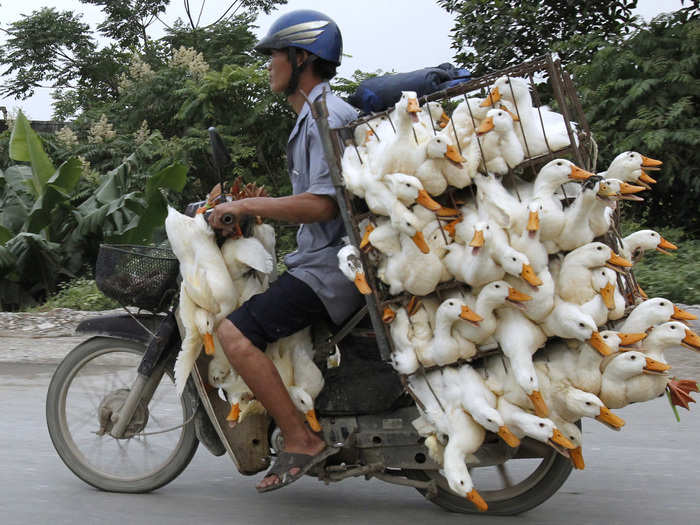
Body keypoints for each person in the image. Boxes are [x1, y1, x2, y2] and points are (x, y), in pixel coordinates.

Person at [208, 9, 364, 493]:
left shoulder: (324, 117)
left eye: (275, 54)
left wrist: (250, 203)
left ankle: (301, 439)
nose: (269, 64)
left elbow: (321, 206)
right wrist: (254, 210)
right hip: (324, 261)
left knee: (232, 335)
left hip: (330, 270)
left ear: (301, 59)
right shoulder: (312, 117)